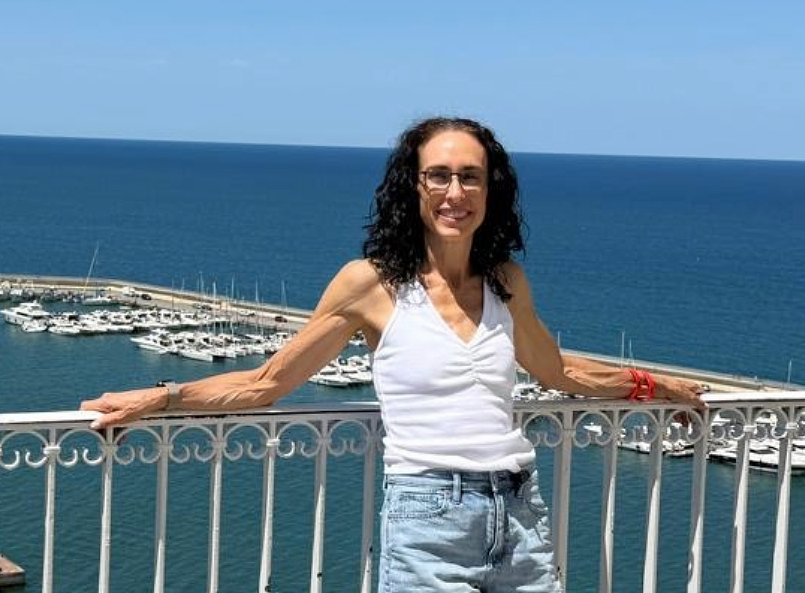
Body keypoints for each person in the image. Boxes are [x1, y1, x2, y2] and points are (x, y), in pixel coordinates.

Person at [80, 116, 706, 592]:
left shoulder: (505, 281)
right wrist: (160, 398)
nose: (455, 191)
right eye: (439, 175)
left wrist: (657, 387)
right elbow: (269, 383)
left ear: (492, 191)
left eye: (470, 177)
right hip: (427, 519)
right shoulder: (370, 285)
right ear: (414, 187)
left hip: (522, 518)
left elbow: (558, 371)